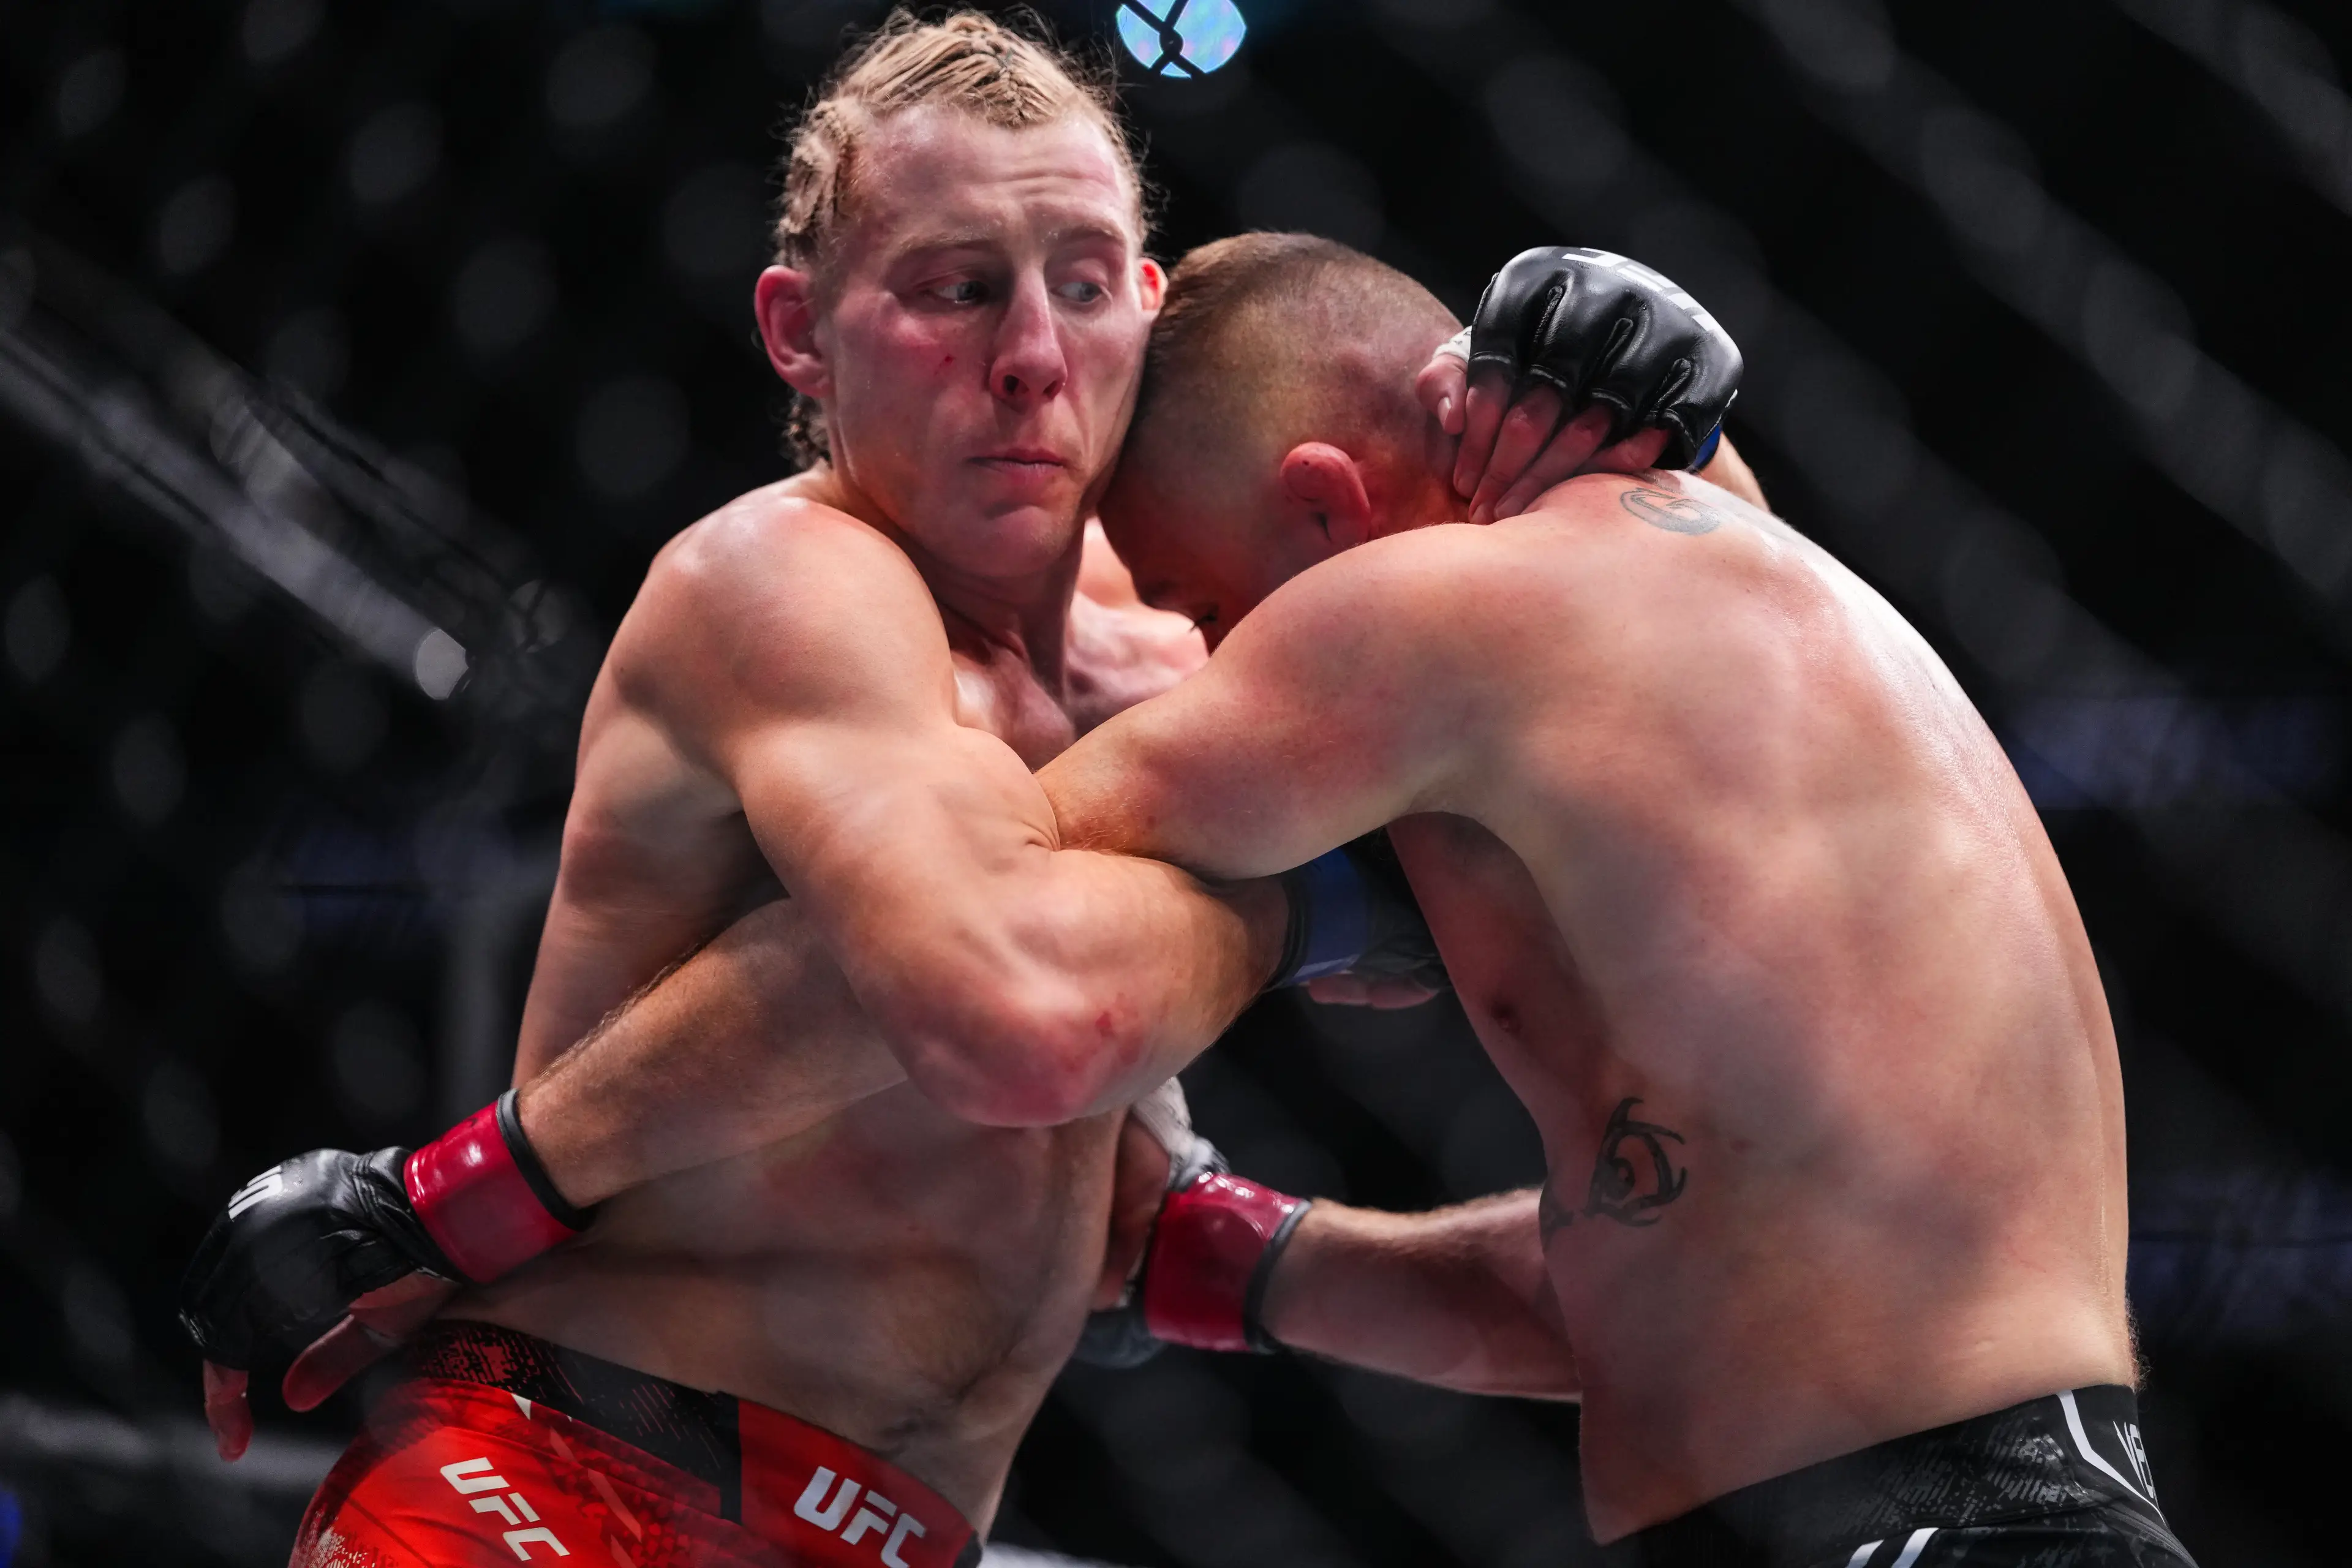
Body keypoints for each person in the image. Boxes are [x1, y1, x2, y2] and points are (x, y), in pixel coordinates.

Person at [176, 16, 1746, 1565]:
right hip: (572, 1475)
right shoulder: (783, 587)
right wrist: (1309, 900)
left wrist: (1663, 431)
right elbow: (1014, 1013)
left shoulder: (1201, 643)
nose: (1030, 359)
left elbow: (1689, 727)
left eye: (1079, 285)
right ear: (802, 330)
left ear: (1147, 304)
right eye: (956, 289)